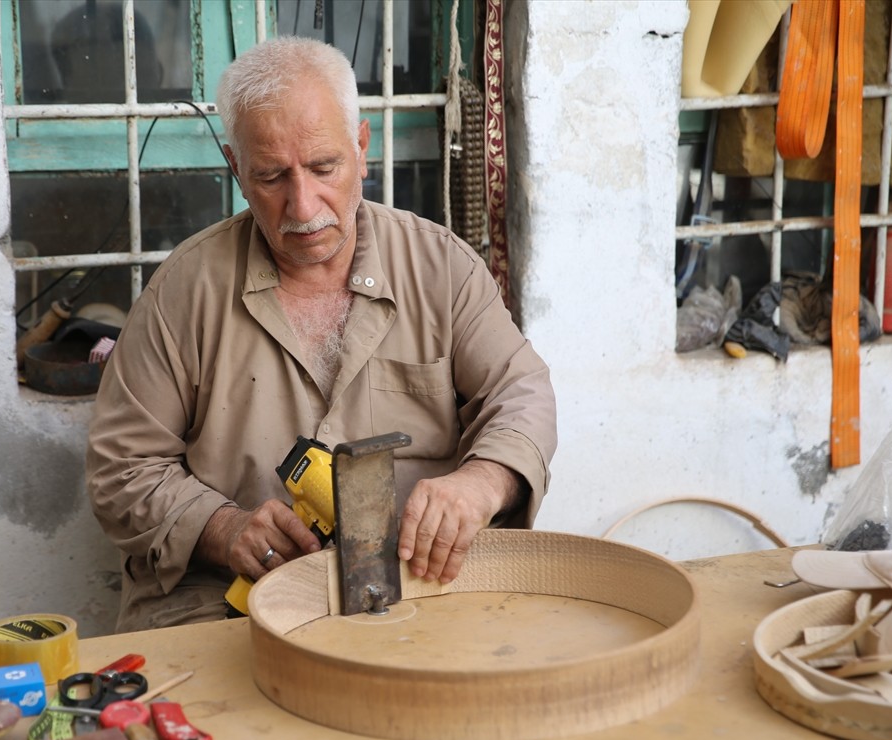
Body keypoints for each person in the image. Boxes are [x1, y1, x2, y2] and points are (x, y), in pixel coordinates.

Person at [86, 36, 557, 632]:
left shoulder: (442, 269)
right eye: (271, 176)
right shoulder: (184, 290)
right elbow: (121, 467)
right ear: (236, 169)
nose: (304, 207)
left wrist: (480, 484)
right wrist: (223, 528)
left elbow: (522, 395)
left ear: (362, 148)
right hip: (229, 603)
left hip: (416, 587)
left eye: (324, 167)